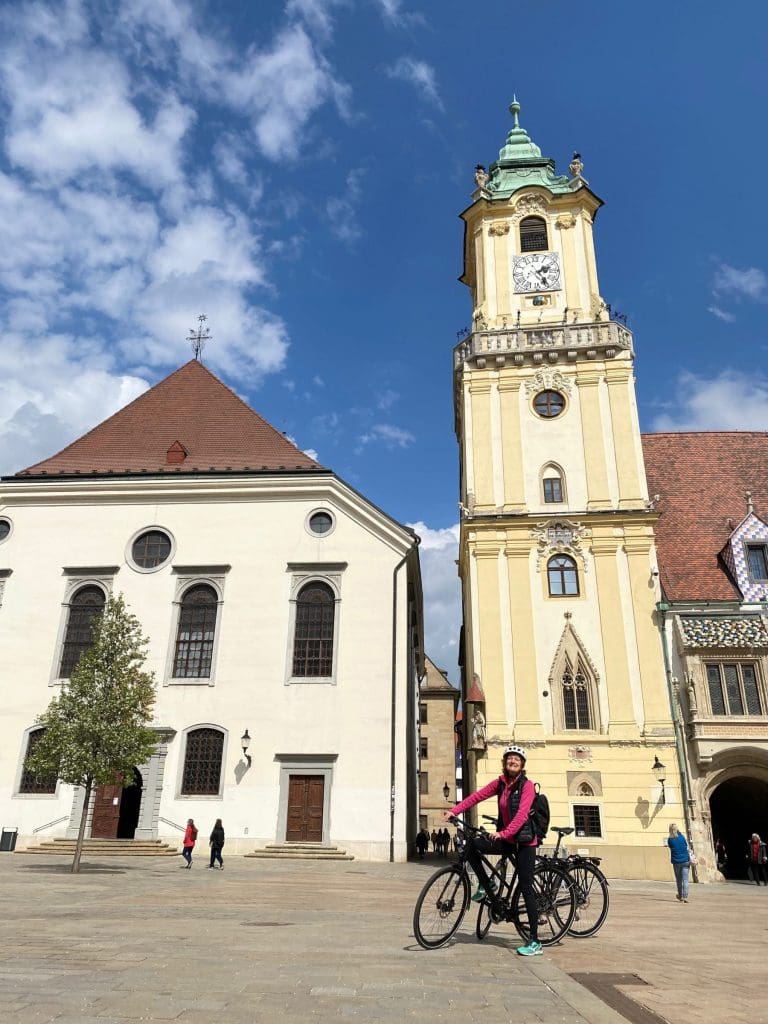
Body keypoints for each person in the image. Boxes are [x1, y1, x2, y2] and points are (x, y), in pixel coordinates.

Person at [444, 744, 542, 957]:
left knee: (526, 888)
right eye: (509, 759)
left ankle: (535, 941)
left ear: (522, 765)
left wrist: (503, 834)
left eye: (516, 760)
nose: (512, 762)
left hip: (525, 842)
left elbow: (522, 815)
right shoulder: (500, 783)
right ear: (505, 763)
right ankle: (488, 883)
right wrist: (454, 810)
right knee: (474, 845)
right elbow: (476, 796)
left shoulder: (527, 786)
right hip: (507, 838)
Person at [667, 823, 691, 902]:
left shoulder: (670, 839)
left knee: (679, 879)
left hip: (676, 862)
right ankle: (685, 897)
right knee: (685, 880)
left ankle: (680, 896)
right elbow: (685, 845)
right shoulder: (682, 837)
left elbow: (671, 847)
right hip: (685, 861)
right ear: (677, 829)